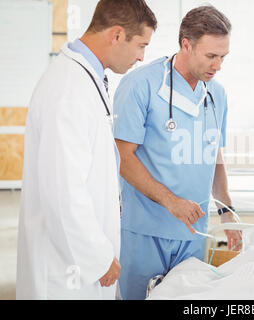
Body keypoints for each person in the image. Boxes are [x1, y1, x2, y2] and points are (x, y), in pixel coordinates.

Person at [16, 0, 157, 300]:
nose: (142, 57)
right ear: (117, 35)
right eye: (141, 45)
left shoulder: (85, 78)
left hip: (78, 261)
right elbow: (62, 190)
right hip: (67, 269)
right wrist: (96, 257)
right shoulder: (69, 88)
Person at [113, 5, 241, 300]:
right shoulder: (140, 85)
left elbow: (214, 157)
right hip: (145, 231)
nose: (218, 65)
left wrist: (226, 210)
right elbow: (123, 158)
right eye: (211, 56)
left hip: (194, 233)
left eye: (223, 57)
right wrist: (171, 202)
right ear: (187, 44)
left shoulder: (216, 94)